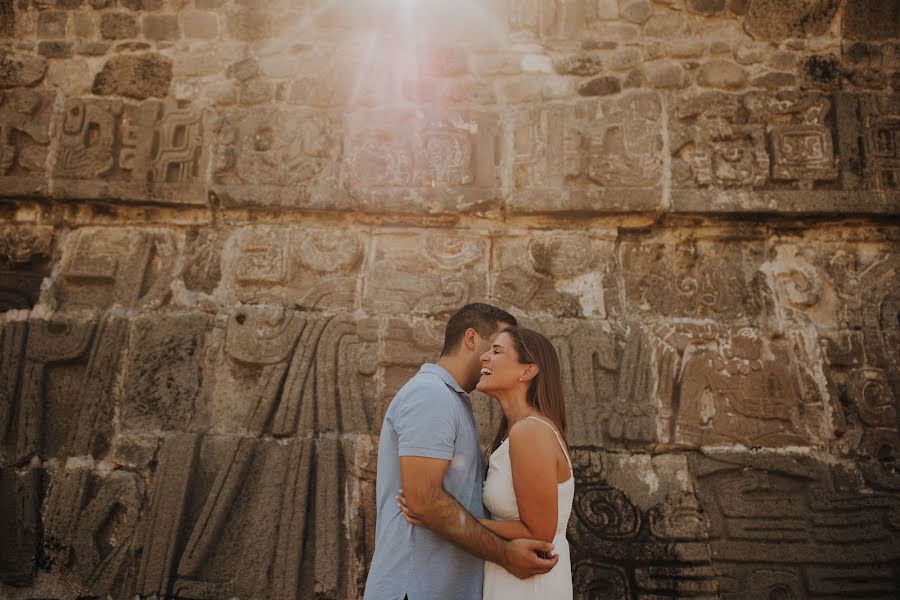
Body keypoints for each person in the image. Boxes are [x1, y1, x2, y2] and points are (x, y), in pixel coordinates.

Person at [364, 304, 559, 600]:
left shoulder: (454, 401)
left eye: (498, 351)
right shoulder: (431, 394)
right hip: (417, 588)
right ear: (470, 338)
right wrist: (505, 554)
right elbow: (424, 500)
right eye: (493, 345)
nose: (487, 357)